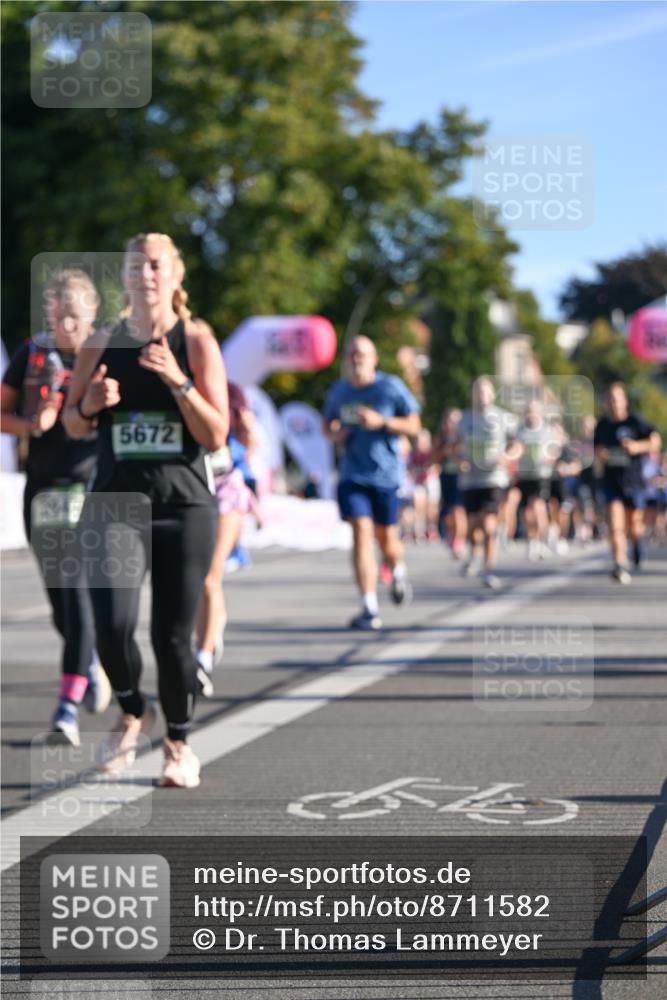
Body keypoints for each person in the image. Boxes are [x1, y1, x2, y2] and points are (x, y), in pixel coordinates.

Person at [63, 233, 229, 787]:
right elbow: (73, 423)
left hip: (184, 506)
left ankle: (179, 744)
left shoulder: (196, 341)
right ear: (125, 276)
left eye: (156, 265)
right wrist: (90, 404)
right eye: (136, 265)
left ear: (175, 275)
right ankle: (134, 709)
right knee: (110, 625)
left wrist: (178, 382)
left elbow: (216, 434)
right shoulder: (101, 343)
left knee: (171, 638)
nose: (146, 274)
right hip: (115, 503)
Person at [0, 269, 111, 746]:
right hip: (43, 492)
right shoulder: (32, 355)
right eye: (58, 315)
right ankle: (90, 661)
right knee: (61, 605)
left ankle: (66, 708)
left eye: (75, 316)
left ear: (92, 313)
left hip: (91, 488)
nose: (65, 325)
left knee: (79, 593)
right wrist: (31, 424)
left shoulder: (106, 356)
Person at [322, 335, 421, 630]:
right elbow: (326, 425)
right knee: (361, 533)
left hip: (386, 475)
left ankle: (398, 569)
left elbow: (414, 425)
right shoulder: (339, 391)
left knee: (386, 538)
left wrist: (383, 422)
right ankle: (368, 605)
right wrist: (336, 434)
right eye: (352, 354)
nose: (357, 359)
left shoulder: (390, 387)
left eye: (362, 354)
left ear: (374, 360)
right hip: (353, 475)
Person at [194, 377, 257, 696]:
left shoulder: (231, 390)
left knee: (209, 575)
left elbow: (249, 444)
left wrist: (247, 431)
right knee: (191, 579)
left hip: (224, 487)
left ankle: (202, 660)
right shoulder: (170, 381)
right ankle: (212, 621)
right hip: (189, 486)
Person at [456, 377, 522, 590]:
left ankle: (489, 569)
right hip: (470, 480)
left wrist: (507, 456)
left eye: (485, 392)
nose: (481, 396)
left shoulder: (504, 418)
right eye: (477, 392)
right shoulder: (464, 419)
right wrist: (459, 461)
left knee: (488, 523)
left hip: (494, 478)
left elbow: (518, 445)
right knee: (472, 526)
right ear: (472, 395)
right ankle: (474, 554)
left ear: (492, 395)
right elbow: (454, 446)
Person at [593, 383, 661, 584]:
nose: (614, 403)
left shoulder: (635, 421)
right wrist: (601, 456)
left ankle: (637, 543)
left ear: (624, 401)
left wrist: (636, 446)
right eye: (610, 399)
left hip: (634, 481)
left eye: (617, 399)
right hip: (611, 481)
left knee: (634, 525)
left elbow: (655, 441)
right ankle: (619, 563)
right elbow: (597, 450)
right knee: (615, 524)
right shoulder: (602, 425)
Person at [433, 407, 467, 558]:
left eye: (455, 421)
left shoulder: (464, 438)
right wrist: (444, 451)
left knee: (458, 510)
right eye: (449, 421)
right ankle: (451, 535)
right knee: (447, 512)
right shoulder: (442, 439)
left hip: (461, 477)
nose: (451, 424)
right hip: (445, 476)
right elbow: (434, 459)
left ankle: (459, 541)